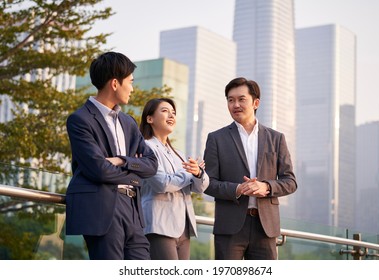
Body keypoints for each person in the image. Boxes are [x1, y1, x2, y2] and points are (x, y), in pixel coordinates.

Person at [65, 51, 158, 260]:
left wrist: (121, 160)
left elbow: (152, 164)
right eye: (131, 82)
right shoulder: (80, 120)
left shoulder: (129, 122)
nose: (133, 89)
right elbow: (98, 169)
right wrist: (135, 173)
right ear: (115, 83)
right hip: (103, 210)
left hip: (133, 210)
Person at [203, 77, 297, 260]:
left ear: (255, 103)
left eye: (241, 99)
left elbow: (290, 182)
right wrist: (237, 189)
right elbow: (208, 183)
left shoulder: (276, 138)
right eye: (230, 100)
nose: (235, 104)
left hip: (265, 228)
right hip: (229, 228)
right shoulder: (216, 138)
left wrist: (266, 187)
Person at [139, 98, 209, 260]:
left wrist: (198, 173)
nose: (171, 115)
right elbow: (162, 183)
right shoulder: (145, 147)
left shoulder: (178, 154)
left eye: (174, 113)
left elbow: (200, 187)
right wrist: (190, 173)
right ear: (150, 119)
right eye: (165, 111)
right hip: (159, 224)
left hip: (183, 227)